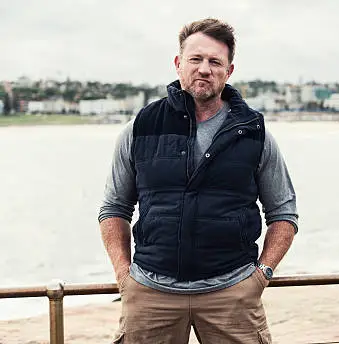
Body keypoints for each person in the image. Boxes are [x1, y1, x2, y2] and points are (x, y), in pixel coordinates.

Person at [98, 18, 298, 344]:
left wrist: (261, 276)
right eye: (196, 59)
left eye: (215, 62)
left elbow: (284, 213)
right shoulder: (142, 128)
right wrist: (124, 276)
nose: (204, 69)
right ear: (179, 64)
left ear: (228, 71)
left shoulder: (254, 134)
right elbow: (114, 207)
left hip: (232, 294)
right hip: (151, 295)